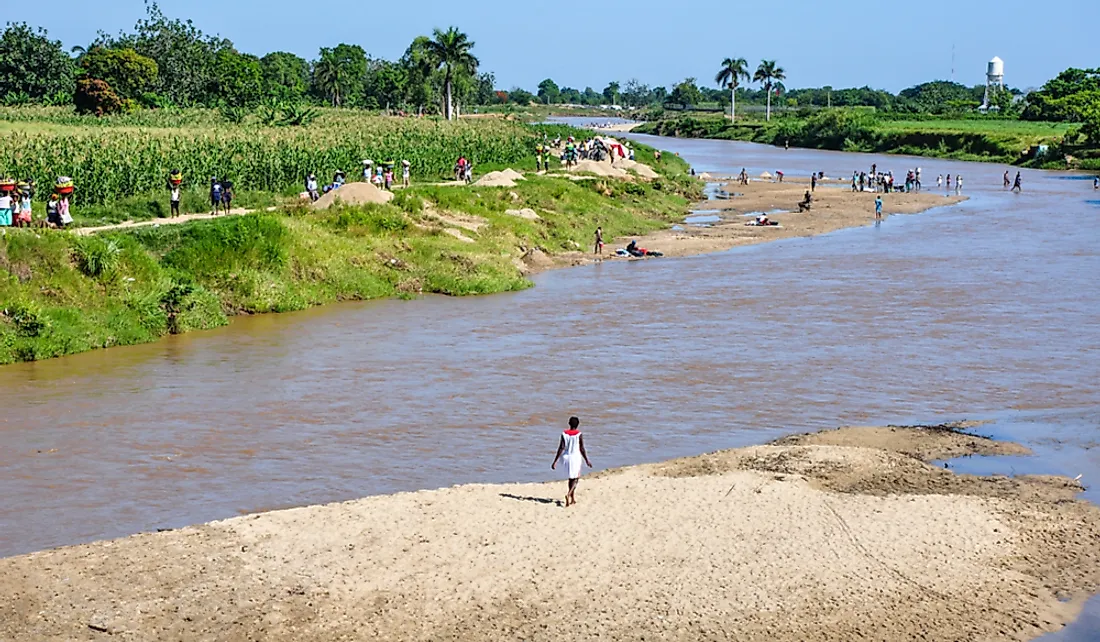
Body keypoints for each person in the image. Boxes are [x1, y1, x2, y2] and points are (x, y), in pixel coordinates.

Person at [551, 416, 592, 507]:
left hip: (566, 457)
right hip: (575, 457)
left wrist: (555, 461)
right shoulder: (579, 434)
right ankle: (569, 494)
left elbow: (561, 448)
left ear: (569, 423)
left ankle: (572, 499)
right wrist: (587, 460)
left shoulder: (564, 434)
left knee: (571, 478)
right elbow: (581, 448)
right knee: (576, 478)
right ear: (578, 425)